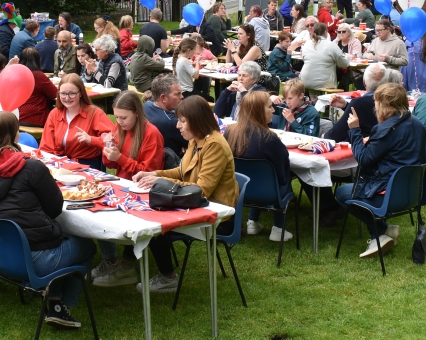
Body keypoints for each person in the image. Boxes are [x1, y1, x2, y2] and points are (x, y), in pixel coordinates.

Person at [0, 112, 95, 329]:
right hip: (36, 256)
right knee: (85, 245)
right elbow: (55, 208)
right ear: (13, 136)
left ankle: (53, 296)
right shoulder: (31, 168)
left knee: (61, 236)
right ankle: (58, 304)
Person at [131, 96, 238, 293]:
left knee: (154, 224)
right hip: (195, 203)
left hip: (215, 211)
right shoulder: (196, 139)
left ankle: (168, 277)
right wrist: (155, 174)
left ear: (196, 120)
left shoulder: (214, 144)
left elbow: (201, 190)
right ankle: (126, 266)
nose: (178, 126)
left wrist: (161, 181)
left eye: (182, 120)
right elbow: (182, 173)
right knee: (146, 214)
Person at [335, 83, 426, 258]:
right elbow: (401, 151)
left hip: (387, 193)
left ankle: (380, 233)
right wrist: (373, 142)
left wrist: (355, 130)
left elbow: (363, 160)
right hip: (412, 192)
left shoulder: (386, 129)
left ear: (384, 105)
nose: (374, 106)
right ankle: (384, 230)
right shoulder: (417, 124)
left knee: (341, 193)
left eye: (376, 102)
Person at [92, 91, 165, 286]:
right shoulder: (121, 128)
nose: (119, 122)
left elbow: (147, 174)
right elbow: (112, 164)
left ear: (137, 114)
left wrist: (119, 158)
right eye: (116, 117)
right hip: (125, 187)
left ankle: (125, 267)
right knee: (93, 210)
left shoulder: (151, 134)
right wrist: (109, 152)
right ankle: (112, 260)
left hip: (144, 191)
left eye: (123, 117)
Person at [226, 91, 293, 242]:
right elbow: (282, 173)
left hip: (237, 190)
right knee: (285, 179)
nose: (274, 110)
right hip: (268, 194)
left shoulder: (230, 132)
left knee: (258, 176)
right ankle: (278, 228)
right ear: (258, 110)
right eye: (270, 106)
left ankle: (252, 222)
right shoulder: (269, 139)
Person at [40, 74, 114, 170]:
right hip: (59, 164)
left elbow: (114, 139)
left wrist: (92, 140)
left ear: (81, 93)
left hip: (87, 166)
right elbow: (46, 147)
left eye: (72, 93)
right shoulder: (55, 114)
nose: (67, 98)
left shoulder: (95, 113)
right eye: (63, 93)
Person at [326, 63, 387, 142]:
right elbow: (368, 115)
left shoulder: (360, 103)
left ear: (364, 83)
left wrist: (324, 136)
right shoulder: (393, 99)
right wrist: (346, 105)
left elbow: (335, 134)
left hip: (361, 147)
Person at [143, 74, 188, 157]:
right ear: (163, 98)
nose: (182, 96)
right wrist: (186, 145)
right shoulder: (171, 122)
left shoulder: (147, 105)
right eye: (177, 94)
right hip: (176, 164)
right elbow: (195, 141)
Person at [299, 22, 349, 91]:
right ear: (325, 32)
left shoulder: (306, 45)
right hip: (324, 84)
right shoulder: (331, 45)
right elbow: (344, 63)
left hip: (305, 81)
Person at [18, 48, 58, 127]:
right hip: (36, 118)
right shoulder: (38, 76)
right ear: (37, 60)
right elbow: (55, 94)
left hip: (18, 116)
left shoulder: (17, 75)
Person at [401, 27, 426, 93]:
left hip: (410, 66)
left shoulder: (410, 40)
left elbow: (404, 50)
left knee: (408, 83)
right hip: (425, 67)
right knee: (424, 86)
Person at [334, 24, 362, 91]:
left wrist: (343, 54)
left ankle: (341, 91)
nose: (341, 33)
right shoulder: (336, 42)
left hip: (351, 69)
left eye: (343, 32)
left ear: (349, 32)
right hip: (337, 68)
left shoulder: (355, 42)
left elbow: (357, 56)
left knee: (345, 73)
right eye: (339, 32)